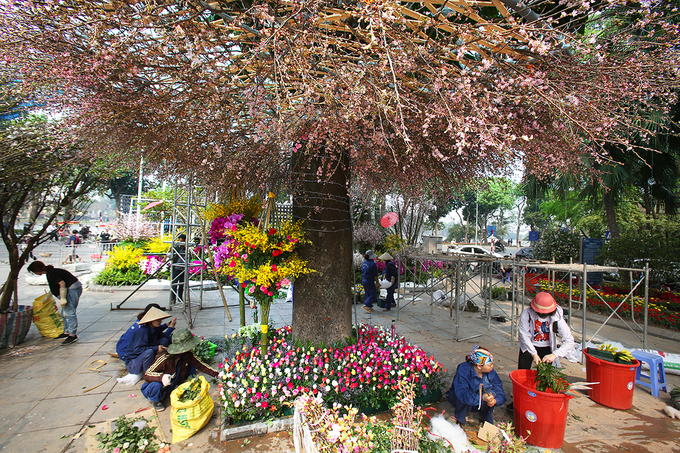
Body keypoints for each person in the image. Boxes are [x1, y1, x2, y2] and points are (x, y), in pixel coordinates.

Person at [506, 291, 575, 412]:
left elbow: (569, 341)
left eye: (545, 314)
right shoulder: (526, 314)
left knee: (545, 377)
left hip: (548, 348)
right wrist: (534, 354)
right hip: (528, 347)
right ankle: (519, 401)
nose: (542, 315)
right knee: (523, 374)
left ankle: (542, 403)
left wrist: (554, 355)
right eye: (540, 313)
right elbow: (524, 335)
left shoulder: (557, 317)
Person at [141, 329, 218, 411]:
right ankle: (154, 400)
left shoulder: (188, 355)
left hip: (171, 385)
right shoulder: (164, 359)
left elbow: (201, 365)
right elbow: (147, 374)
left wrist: (217, 374)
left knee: (191, 369)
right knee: (156, 385)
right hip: (156, 387)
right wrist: (162, 377)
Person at [445, 346, 506, 425]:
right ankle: (459, 415)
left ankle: (485, 416)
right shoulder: (463, 370)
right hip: (463, 400)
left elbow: (500, 392)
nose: (492, 367)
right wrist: (482, 398)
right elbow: (462, 394)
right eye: (490, 365)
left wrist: (494, 400)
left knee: (491, 393)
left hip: (480, 401)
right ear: (479, 366)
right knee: (463, 393)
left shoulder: (491, 372)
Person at [27, 260, 82, 345]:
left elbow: (62, 283)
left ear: (36, 270)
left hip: (72, 289)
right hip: (72, 288)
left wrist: (63, 298)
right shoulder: (51, 272)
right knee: (64, 313)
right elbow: (54, 287)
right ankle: (66, 332)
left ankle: (72, 335)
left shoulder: (52, 273)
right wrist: (44, 299)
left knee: (69, 313)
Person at [124, 307, 173, 375]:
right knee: (149, 352)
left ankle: (158, 366)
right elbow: (138, 349)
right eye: (158, 320)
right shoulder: (143, 331)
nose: (160, 321)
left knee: (164, 340)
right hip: (133, 363)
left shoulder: (155, 329)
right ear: (150, 321)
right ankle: (148, 374)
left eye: (160, 319)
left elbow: (165, 337)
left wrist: (171, 328)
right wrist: (156, 349)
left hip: (142, 357)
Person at [170, 234, 187, 304]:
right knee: (174, 284)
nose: (182, 242)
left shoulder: (186, 249)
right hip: (176, 268)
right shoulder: (175, 248)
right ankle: (173, 298)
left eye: (183, 241)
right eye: (181, 240)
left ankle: (180, 297)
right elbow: (172, 257)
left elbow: (190, 257)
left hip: (183, 269)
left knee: (182, 284)